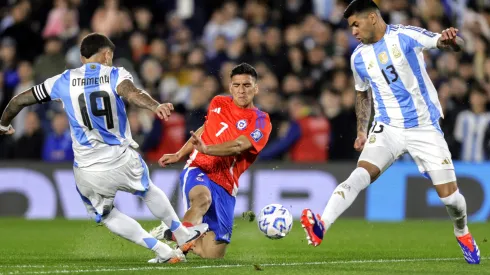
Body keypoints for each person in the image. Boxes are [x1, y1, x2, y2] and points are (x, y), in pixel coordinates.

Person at [0, 33, 208, 264]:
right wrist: (155, 105)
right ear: (107, 54)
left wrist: (3, 124)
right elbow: (132, 93)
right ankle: (180, 233)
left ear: (82, 58)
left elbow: (18, 101)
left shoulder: (63, 80)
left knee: (107, 216)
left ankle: (162, 251)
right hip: (121, 158)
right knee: (147, 190)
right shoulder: (114, 73)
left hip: (87, 169)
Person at [300, 0, 480, 265]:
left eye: (356, 24)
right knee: (359, 175)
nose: (353, 32)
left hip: (424, 128)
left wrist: (453, 41)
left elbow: (448, 43)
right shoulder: (358, 57)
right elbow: (362, 93)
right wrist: (362, 130)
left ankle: (462, 233)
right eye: (351, 27)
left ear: (372, 18)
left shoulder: (405, 35)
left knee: (452, 200)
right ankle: (321, 225)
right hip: (388, 128)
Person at [149, 63, 272, 258]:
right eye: (237, 85)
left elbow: (239, 145)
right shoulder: (218, 103)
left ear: (255, 88)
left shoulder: (261, 121)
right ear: (230, 87)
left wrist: (208, 149)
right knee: (202, 199)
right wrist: (180, 154)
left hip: (226, 183)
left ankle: (177, 234)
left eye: (247, 85)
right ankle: (175, 249)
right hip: (200, 167)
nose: (241, 90)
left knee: (212, 255)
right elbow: (204, 130)